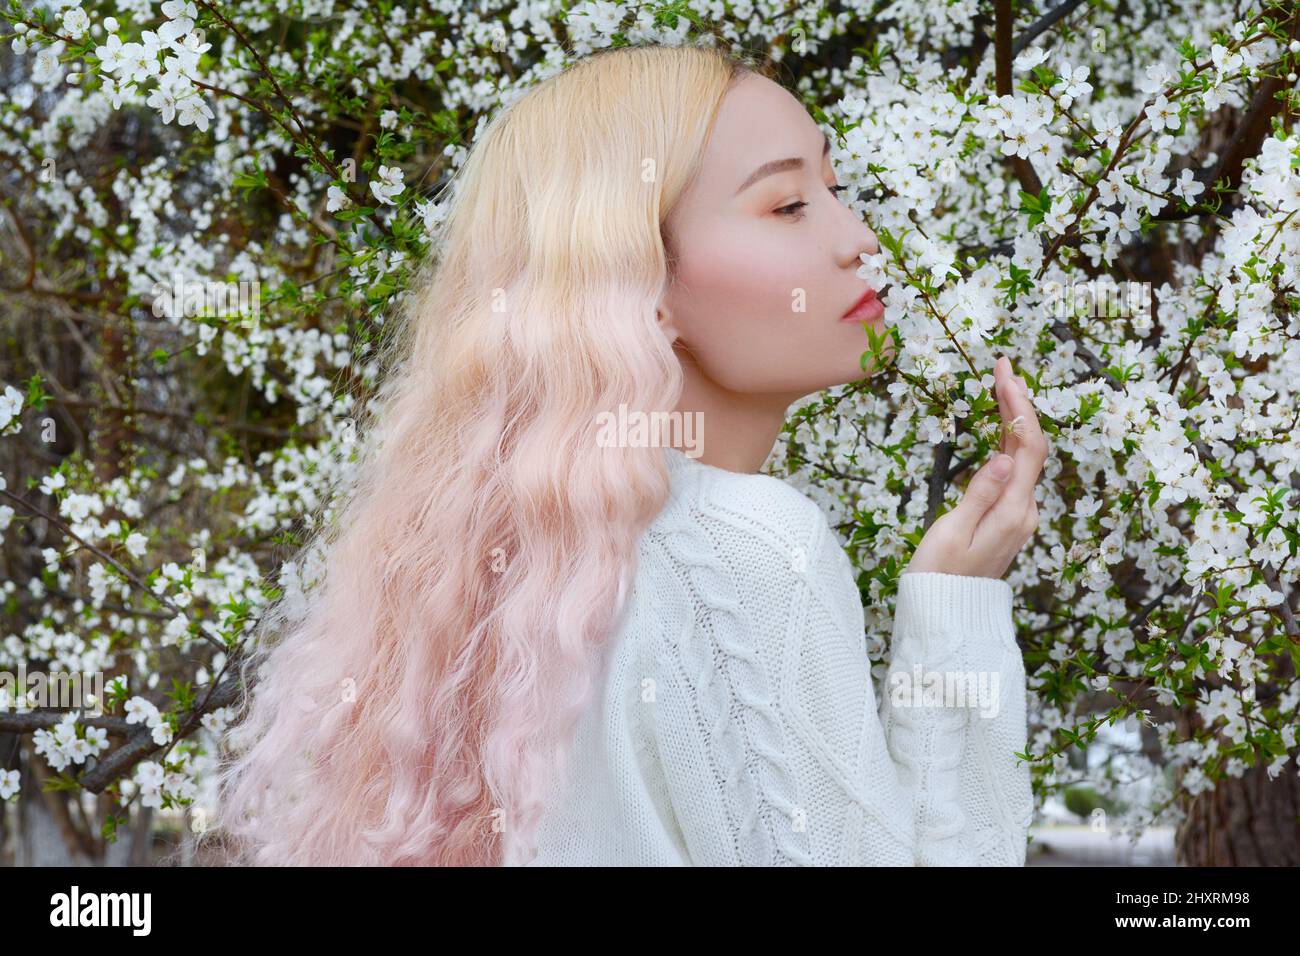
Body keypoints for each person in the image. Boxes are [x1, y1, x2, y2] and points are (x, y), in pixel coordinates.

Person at [212, 41, 1047, 867]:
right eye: (787, 205)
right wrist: (953, 619)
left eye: (835, 189)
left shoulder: (535, 580)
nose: (859, 238)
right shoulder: (746, 547)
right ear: (638, 283)